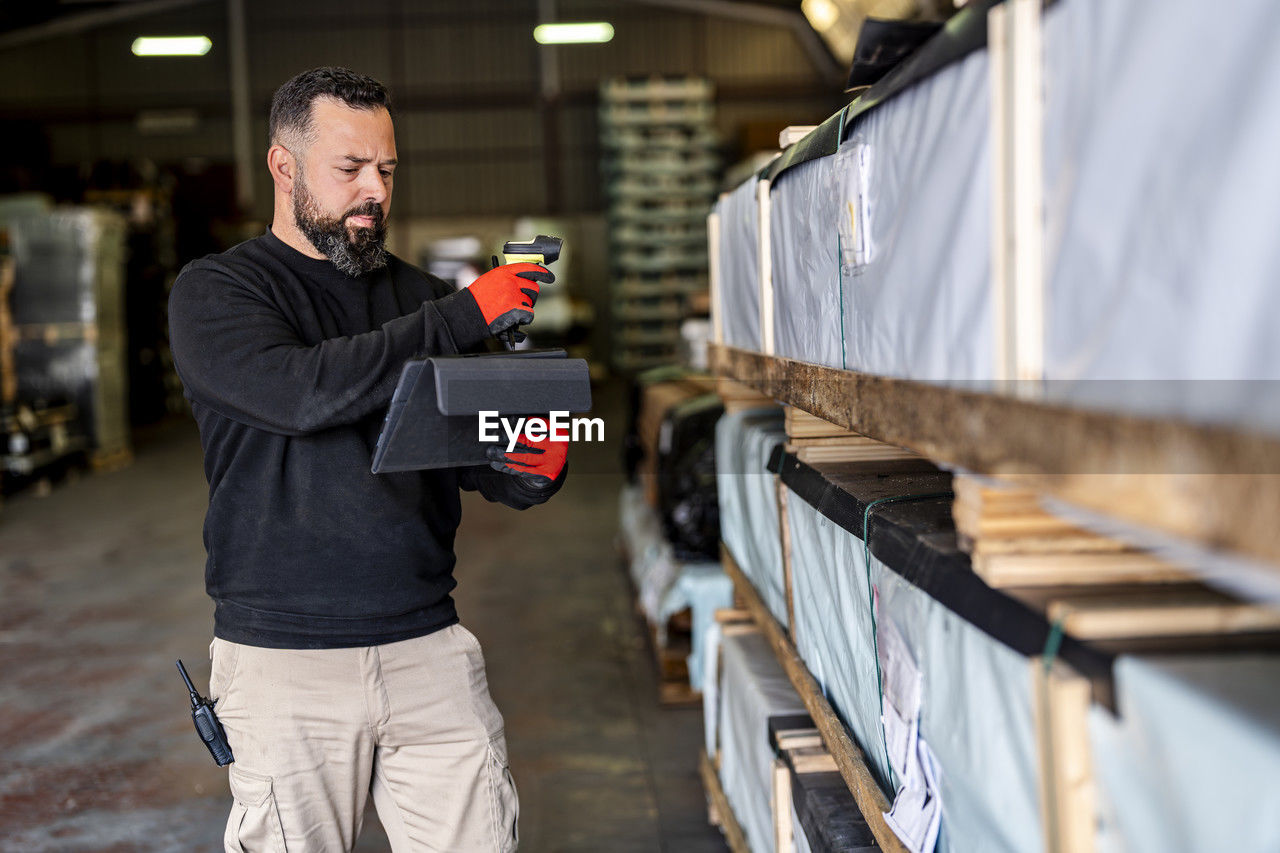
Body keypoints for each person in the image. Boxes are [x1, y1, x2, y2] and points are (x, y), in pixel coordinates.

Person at [168, 66, 566, 852]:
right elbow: (302, 394)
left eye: (386, 169)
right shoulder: (218, 294)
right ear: (285, 165)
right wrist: (463, 313)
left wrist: (528, 463)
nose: (374, 190)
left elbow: (471, 453)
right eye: (349, 169)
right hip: (284, 664)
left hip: (428, 648)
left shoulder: (421, 298)